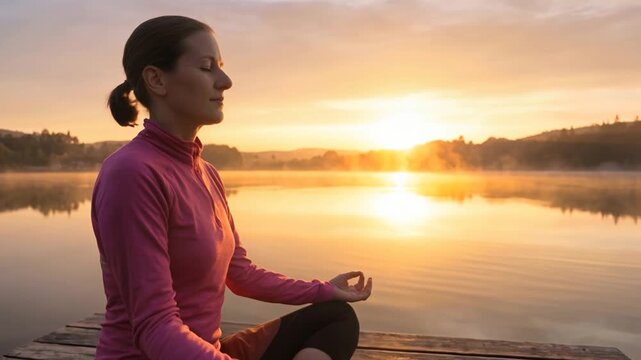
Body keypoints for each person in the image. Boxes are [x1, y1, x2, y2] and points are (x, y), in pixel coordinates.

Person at [92, 15, 373, 360]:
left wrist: (323, 289)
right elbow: (155, 326)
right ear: (156, 79)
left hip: (207, 351)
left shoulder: (207, 172)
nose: (225, 81)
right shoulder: (132, 173)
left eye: (221, 67)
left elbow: (239, 274)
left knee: (335, 316)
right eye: (207, 67)